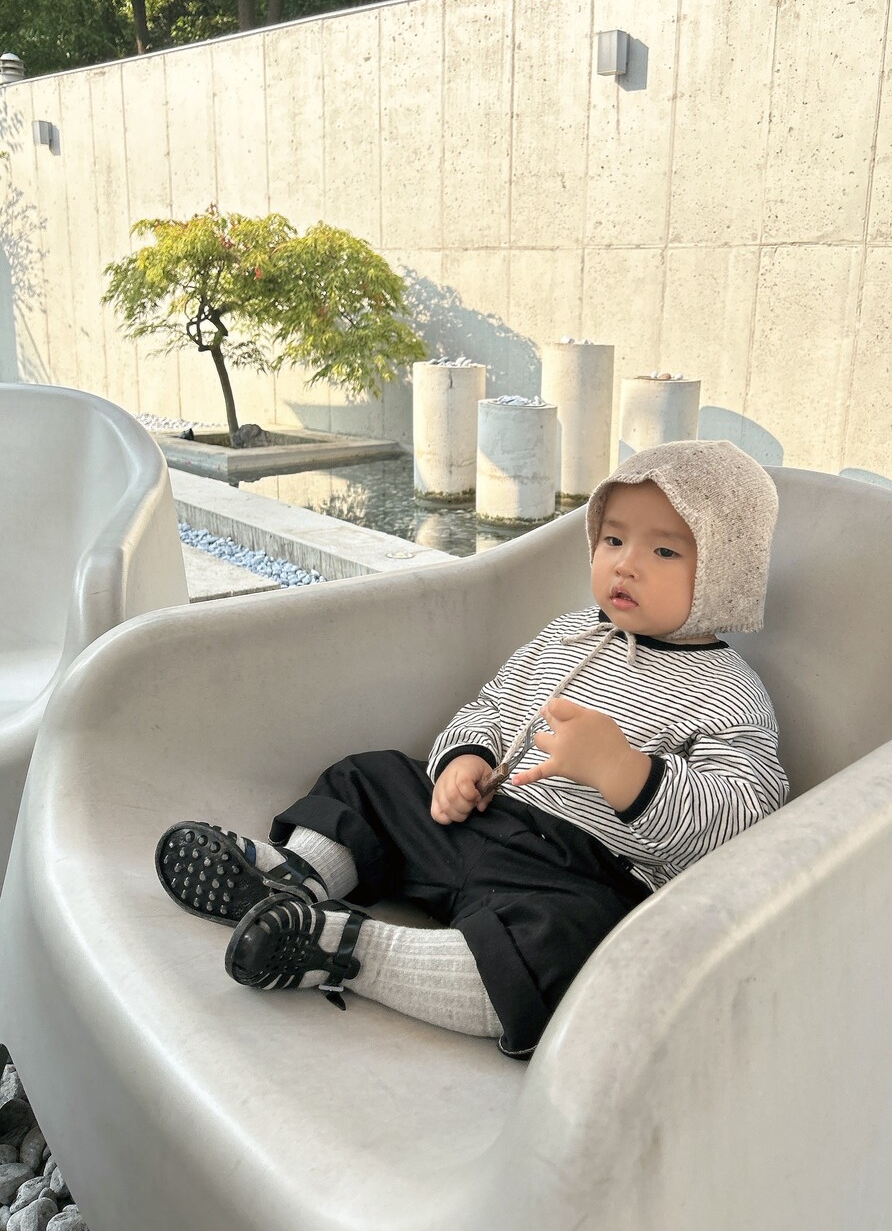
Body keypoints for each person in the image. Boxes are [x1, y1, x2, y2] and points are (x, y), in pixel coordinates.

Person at [156, 439, 788, 1058]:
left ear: (723, 573)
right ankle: (295, 877)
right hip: (477, 818)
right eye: (613, 540)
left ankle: (349, 950)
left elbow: (739, 822)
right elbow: (492, 706)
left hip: (576, 872)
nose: (625, 565)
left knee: (570, 947)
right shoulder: (566, 635)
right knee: (372, 777)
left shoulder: (729, 692)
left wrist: (626, 772)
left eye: (665, 550)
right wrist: (466, 759)